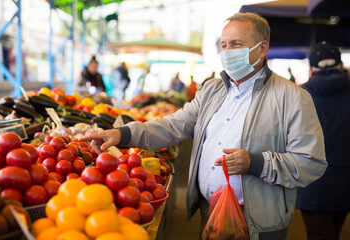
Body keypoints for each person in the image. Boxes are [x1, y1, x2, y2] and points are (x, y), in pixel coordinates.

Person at [80, 12, 327, 240]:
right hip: (209, 211)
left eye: (237, 44)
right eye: (224, 45)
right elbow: (174, 125)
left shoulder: (293, 97)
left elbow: (310, 163)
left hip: (257, 222)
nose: (228, 51)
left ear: (262, 49)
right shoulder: (212, 90)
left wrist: (255, 163)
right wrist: (124, 134)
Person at [296, 41, 350, 240]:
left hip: (312, 186)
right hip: (346, 184)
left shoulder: (300, 96)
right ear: (341, 65)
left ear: (311, 68)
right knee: (333, 232)